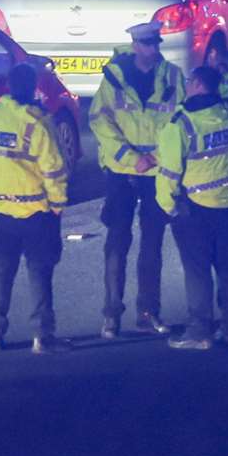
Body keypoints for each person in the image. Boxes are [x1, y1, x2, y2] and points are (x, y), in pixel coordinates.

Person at [0, 61, 72, 355]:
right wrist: (58, 203)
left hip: (1, 209)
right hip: (37, 210)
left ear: (9, 86)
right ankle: (42, 337)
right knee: (39, 272)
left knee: (2, 270)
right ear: (33, 87)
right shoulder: (38, 122)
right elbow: (53, 168)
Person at [90, 19, 185, 339]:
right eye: (147, 44)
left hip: (156, 173)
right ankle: (111, 315)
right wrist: (133, 159)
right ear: (134, 47)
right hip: (121, 174)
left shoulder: (172, 76)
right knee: (116, 244)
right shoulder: (113, 78)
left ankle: (148, 313)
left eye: (156, 43)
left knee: (152, 244)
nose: (153, 49)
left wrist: (156, 158)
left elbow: (181, 120)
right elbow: (100, 124)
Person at [157, 65, 228, 351]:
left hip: (192, 208)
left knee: (197, 271)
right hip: (226, 201)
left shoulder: (180, 124)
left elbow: (169, 172)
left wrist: (168, 206)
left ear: (195, 84)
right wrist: (224, 67)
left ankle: (200, 330)